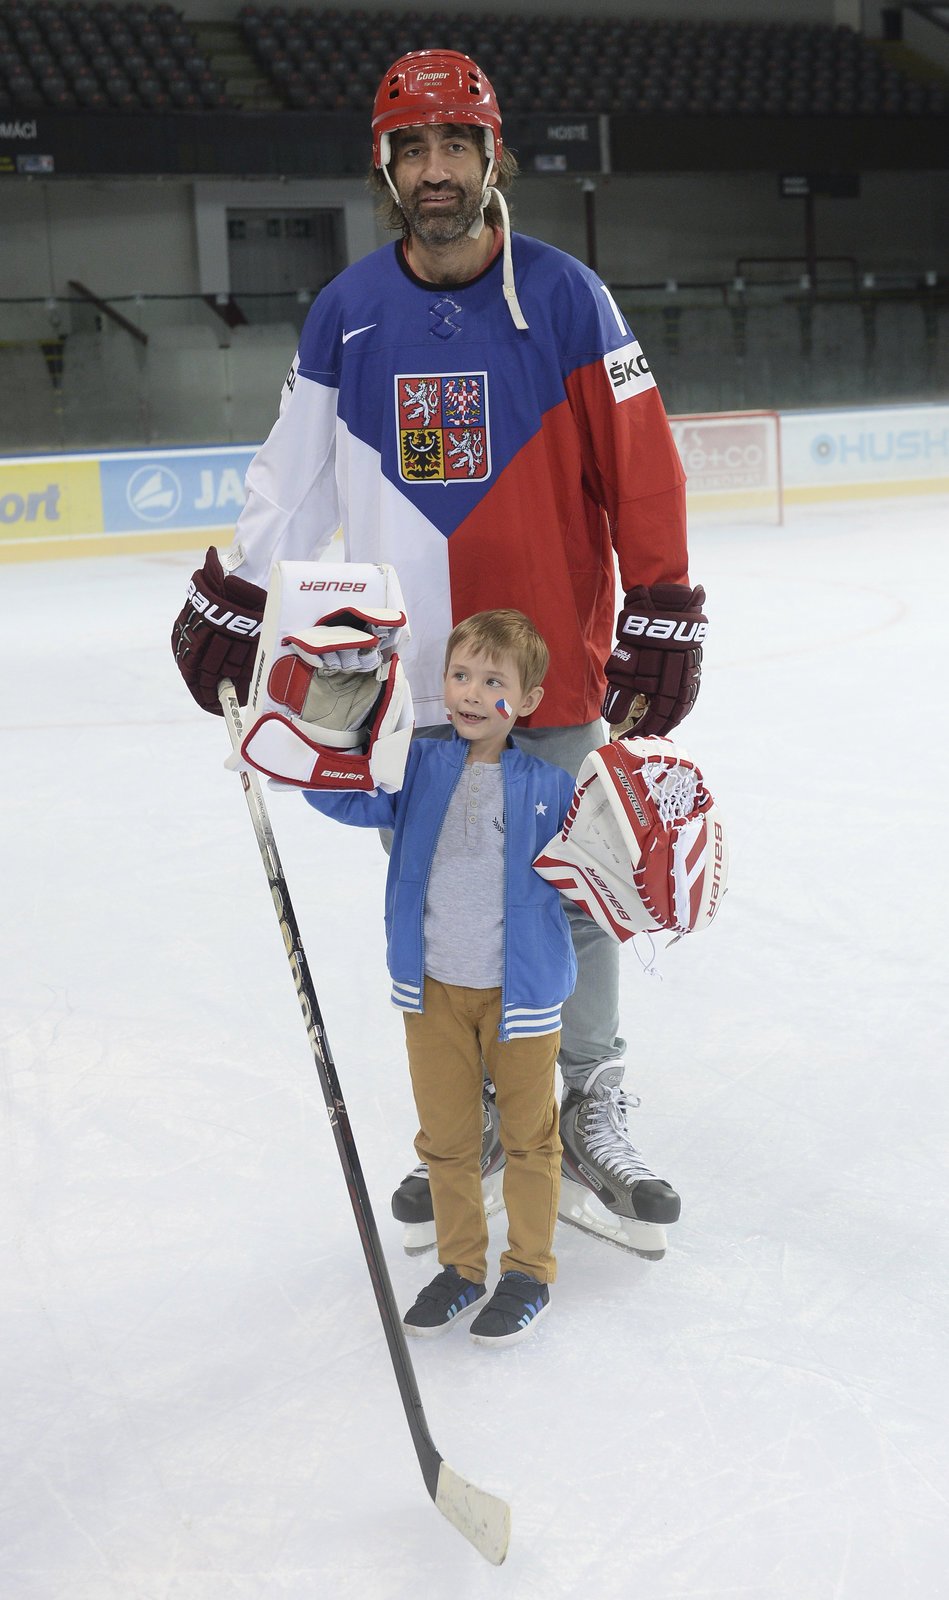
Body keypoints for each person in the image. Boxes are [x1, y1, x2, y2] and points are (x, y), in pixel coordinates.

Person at [171, 47, 708, 1259]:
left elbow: (642, 464)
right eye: (410, 148)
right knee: (435, 903)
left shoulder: (570, 299)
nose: (434, 168)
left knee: (574, 897)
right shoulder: (347, 312)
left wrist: (662, 600)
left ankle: (588, 1096)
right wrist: (240, 591)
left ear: (491, 156)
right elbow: (294, 471)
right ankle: (464, 1112)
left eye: (455, 143)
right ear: (383, 165)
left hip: (549, 670)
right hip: (406, 681)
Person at [304, 609, 577, 1343]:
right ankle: (461, 1268)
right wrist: (319, 722)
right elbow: (342, 796)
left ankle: (529, 1270)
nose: (468, 690)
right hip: (431, 991)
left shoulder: (550, 785)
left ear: (524, 703)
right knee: (448, 1141)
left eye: (493, 681)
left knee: (527, 1140)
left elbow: (599, 875)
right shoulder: (417, 765)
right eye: (459, 674)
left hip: (522, 997)